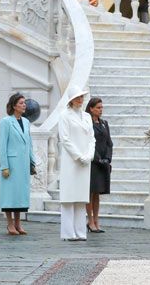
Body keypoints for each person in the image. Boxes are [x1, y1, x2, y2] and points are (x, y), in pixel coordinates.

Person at [58, 85, 95, 241]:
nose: (81, 100)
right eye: (78, 97)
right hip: (71, 162)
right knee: (69, 197)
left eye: (82, 97)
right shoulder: (64, 115)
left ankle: (80, 232)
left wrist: (89, 155)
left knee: (81, 197)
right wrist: (78, 156)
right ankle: (67, 232)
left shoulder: (86, 116)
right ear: (72, 100)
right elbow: (65, 139)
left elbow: (92, 138)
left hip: (85, 163)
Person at [0, 93, 35, 236]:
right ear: (14, 106)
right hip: (11, 164)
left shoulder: (26, 122)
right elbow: (2, 145)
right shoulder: (6, 122)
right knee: (10, 194)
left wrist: (32, 162)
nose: (24, 105)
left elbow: (29, 144)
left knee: (20, 194)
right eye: (21, 103)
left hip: (23, 163)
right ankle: (9, 224)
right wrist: (4, 166)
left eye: (24, 102)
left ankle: (19, 223)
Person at [85, 97, 112, 233]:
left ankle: (96, 220)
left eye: (101, 108)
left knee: (98, 194)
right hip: (93, 162)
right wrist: (98, 158)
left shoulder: (104, 123)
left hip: (104, 163)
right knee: (90, 192)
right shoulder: (87, 123)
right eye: (98, 108)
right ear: (91, 108)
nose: (100, 110)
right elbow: (88, 142)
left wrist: (107, 158)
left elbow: (109, 143)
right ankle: (90, 221)